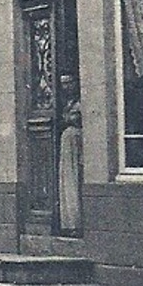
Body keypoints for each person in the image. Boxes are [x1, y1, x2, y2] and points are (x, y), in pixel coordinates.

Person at [58, 76, 83, 235]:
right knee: (68, 179)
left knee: (75, 178)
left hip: (76, 141)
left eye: (69, 82)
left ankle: (76, 223)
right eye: (63, 84)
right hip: (67, 143)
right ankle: (69, 223)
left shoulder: (80, 102)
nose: (66, 87)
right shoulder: (65, 102)